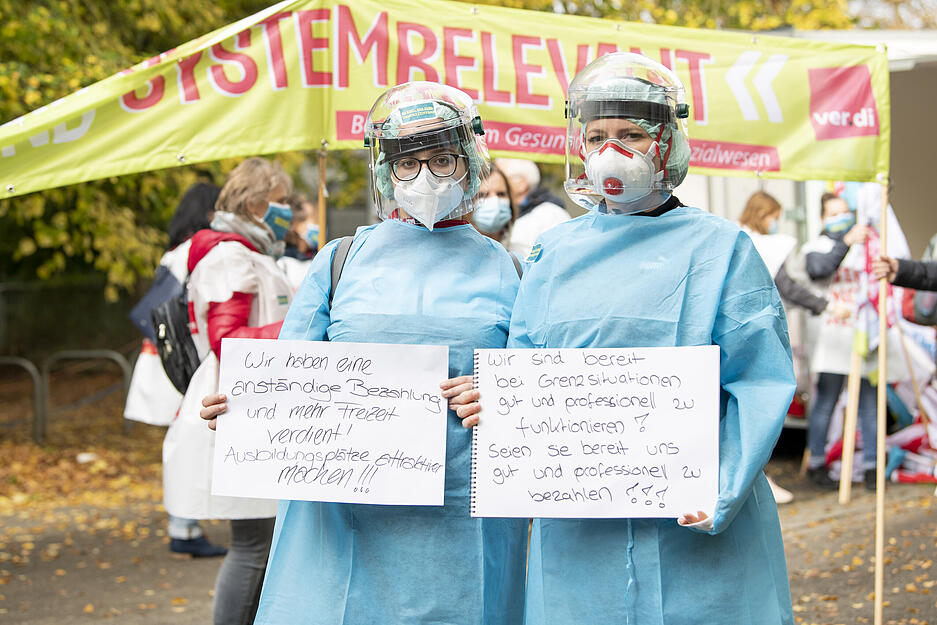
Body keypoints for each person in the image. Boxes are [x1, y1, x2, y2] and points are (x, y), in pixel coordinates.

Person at [445, 52, 796, 625]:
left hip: (696, 530)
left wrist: (722, 487)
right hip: (579, 530)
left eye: (632, 134)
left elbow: (759, 381)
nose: (613, 150)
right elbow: (528, 368)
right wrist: (496, 399)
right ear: (579, 145)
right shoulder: (554, 252)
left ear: (667, 144)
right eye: (598, 135)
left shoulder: (721, 249)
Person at [201, 82, 527, 625]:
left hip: (464, 523)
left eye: (443, 158)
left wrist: (507, 395)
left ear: (470, 163)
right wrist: (243, 410)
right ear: (384, 172)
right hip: (342, 521)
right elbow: (289, 376)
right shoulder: (340, 262)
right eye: (409, 162)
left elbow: (542, 392)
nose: (426, 175)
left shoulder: (514, 272)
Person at [162, 157, 295, 625]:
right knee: (254, 545)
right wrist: (301, 330)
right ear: (257, 202)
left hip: (253, 403)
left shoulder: (246, 250)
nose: (288, 211)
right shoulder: (229, 255)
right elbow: (228, 339)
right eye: (282, 201)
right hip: (236, 406)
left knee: (261, 543)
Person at [124, 181, 228, 558]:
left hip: (161, 357)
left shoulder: (175, 251)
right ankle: (183, 527)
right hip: (180, 361)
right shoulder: (196, 251)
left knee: (181, 442)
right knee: (186, 443)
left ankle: (183, 525)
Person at [801, 192, 882, 490]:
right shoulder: (816, 247)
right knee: (826, 402)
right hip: (832, 337)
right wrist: (845, 243)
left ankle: (873, 466)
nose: (841, 218)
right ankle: (817, 464)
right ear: (823, 218)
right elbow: (819, 270)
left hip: (863, 336)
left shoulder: (867, 247)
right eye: (834, 214)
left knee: (869, 405)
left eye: (844, 212)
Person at [496, 157, 570, 257]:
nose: (495, 183)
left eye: (502, 179)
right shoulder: (506, 214)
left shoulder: (551, 214)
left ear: (521, 184)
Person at [472, 162, 518, 246]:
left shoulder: (521, 251)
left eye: (501, 194)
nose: (494, 200)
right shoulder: (452, 251)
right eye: (483, 195)